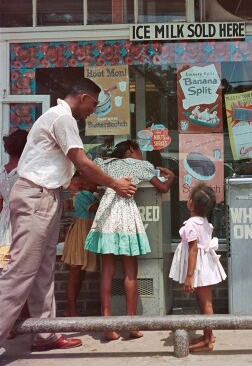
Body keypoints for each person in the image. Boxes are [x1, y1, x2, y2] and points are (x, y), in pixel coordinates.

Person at [0, 78, 138, 351]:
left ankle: (44, 334)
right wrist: (115, 183)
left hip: (45, 196)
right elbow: (82, 162)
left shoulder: (57, 118)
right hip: (37, 196)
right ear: (84, 97)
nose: (94, 111)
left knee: (42, 270)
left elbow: (71, 167)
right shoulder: (62, 119)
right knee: (20, 272)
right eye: (94, 105)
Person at [84, 139, 174, 341]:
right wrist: (172, 177)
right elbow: (162, 188)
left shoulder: (107, 164)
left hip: (106, 214)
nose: (142, 155)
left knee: (107, 270)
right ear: (132, 150)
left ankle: (107, 324)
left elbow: (89, 166)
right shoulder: (142, 166)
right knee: (130, 272)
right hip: (125, 214)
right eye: (140, 150)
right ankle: (131, 324)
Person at [169, 183, 225, 353]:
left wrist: (189, 276)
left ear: (191, 202)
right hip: (205, 265)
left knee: (206, 303)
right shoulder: (204, 222)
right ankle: (208, 334)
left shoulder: (191, 225)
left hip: (199, 268)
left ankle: (208, 340)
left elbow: (193, 249)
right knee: (203, 301)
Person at [61, 172, 100, 317]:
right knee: (75, 274)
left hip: (87, 234)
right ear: (86, 182)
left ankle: (68, 309)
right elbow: (95, 209)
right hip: (80, 235)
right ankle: (71, 310)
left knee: (80, 275)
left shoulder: (92, 195)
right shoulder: (82, 195)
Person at [0, 130, 28, 271]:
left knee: (4, 266)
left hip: (4, 223)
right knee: (21, 269)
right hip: (24, 221)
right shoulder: (27, 173)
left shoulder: (0, 172)